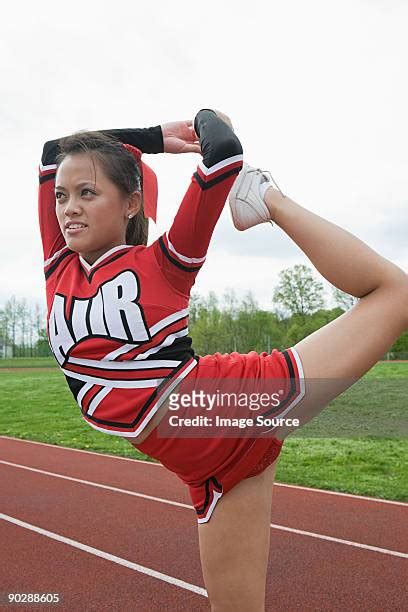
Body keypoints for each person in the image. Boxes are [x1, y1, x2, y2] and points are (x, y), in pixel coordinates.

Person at [38, 110, 408, 612]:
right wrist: (150, 139)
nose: (68, 208)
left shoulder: (163, 265)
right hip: (209, 469)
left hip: (227, 405)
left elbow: (223, 149)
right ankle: (262, 197)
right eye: (62, 195)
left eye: (87, 193)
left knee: (397, 294)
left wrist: (190, 126)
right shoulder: (57, 265)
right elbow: (51, 150)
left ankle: (265, 199)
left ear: (131, 204)